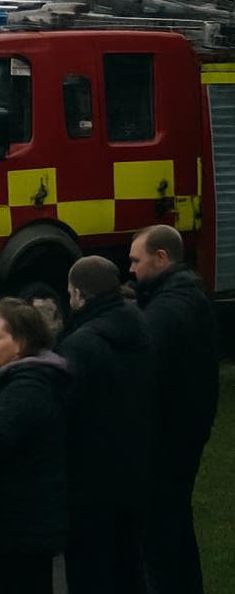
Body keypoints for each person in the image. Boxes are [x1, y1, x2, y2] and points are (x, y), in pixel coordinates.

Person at [128, 224, 221, 594]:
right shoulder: (187, 295)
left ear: (161, 257)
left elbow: (142, 368)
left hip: (169, 438)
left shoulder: (166, 311)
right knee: (177, 522)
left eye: (136, 260)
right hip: (186, 430)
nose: (131, 269)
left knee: (163, 532)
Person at [56, 255, 155, 594]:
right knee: (129, 565)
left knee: (90, 571)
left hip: (90, 480)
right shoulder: (139, 326)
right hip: (134, 467)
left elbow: (66, 408)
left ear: (79, 295)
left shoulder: (81, 344)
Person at [0, 297, 71, 593]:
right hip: (22, 521)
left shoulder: (26, 388)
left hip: (18, 525)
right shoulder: (24, 380)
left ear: (20, 343)